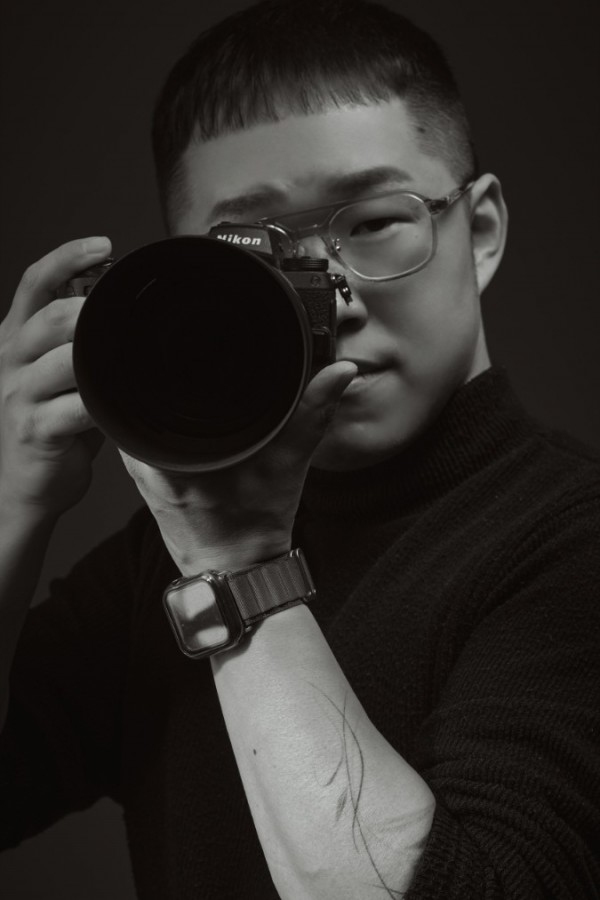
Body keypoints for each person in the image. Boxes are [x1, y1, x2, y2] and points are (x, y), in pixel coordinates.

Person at [0, 0, 598, 897]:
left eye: (374, 222)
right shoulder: (157, 562)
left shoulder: (572, 544)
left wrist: (244, 568)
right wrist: (10, 503)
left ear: (479, 232)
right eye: (261, 254)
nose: (333, 296)